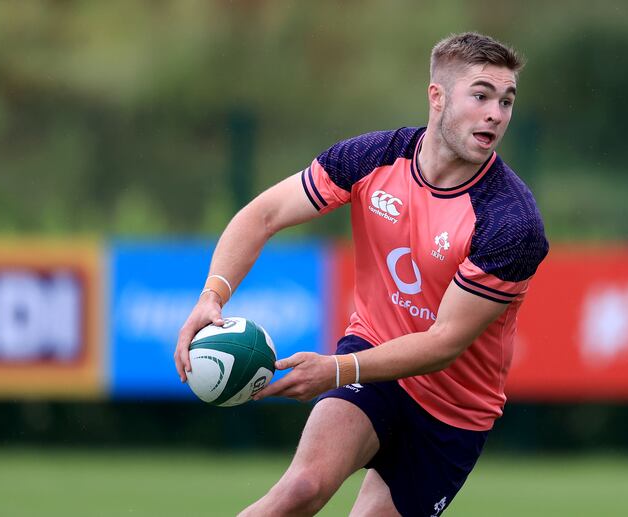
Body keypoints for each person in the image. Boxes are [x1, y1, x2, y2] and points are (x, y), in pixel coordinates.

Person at [175, 31, 549, 517]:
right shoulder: (373, 157)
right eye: (481, 96)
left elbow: (443, 344)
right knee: (302, 489)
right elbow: (262, 215)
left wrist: (331, 369)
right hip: (371, 357)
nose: (496, 114)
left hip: (453, 411)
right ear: (437, 97)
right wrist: (212, 296)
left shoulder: (511, 223)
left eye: (506, 100)